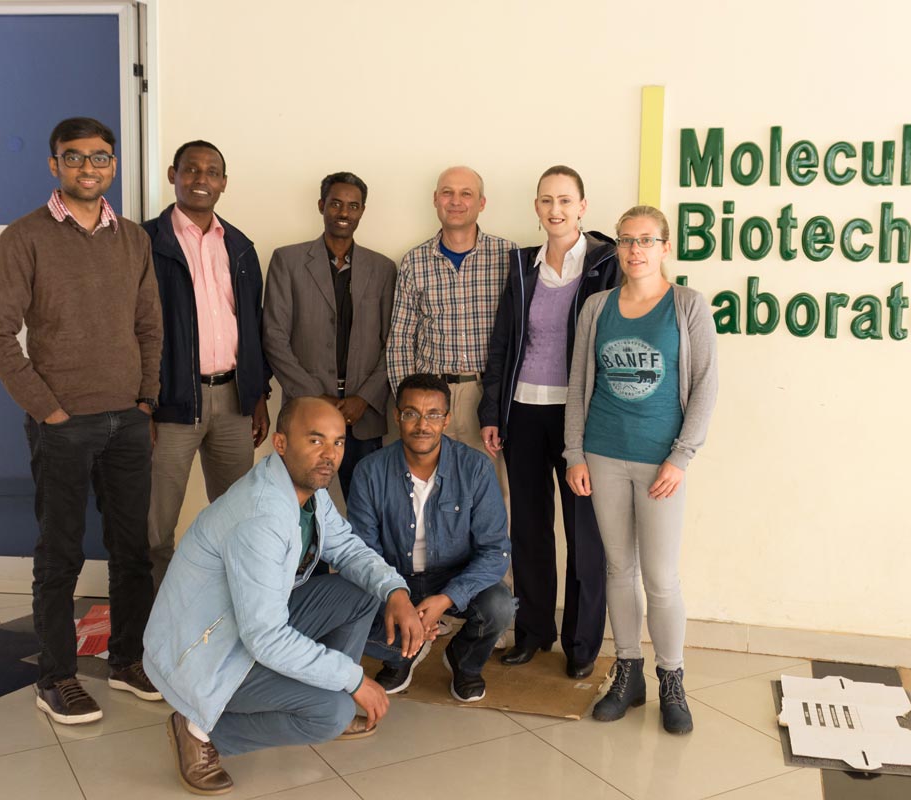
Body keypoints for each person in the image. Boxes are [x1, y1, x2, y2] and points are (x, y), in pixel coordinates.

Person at [143, 397, 428, 795]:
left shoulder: (305, 486)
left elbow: (346, 547)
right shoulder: (262, 517)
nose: (329, 455)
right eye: (315, 440)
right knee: (332, 713)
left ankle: (321, 686)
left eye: (338, 442)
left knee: (361, 593)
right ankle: (198, 730)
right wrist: (353, 679)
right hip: (205, 653)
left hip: (243, 626)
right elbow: (265, 637)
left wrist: (395, 590)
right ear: (280, 443)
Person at [0, 116, 164, 724]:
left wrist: (145, 398)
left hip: (128, 422)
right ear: (54, 165)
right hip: (63, 424)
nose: (90, 168)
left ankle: (127, 658)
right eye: (75, 157)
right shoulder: (24, 237)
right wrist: (48, 409)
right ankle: (55, 676)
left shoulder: (132, 238)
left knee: (132, 550)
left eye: (101, 157)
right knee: (59, 554)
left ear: (114, 164)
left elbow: (149, 325)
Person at [564, 205, 719, 735]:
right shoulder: (596, 308)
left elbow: (705, 388)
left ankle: (671, 679)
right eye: (627, 241)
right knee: (617, 570)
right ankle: (628, 673)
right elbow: (580, 386)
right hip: (603, 455)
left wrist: (682, 457)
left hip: (660, 463)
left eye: (646, 240)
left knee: (660, 577)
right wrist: (575, 453)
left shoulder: (687, 306)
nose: (635, 250)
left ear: (665, 247)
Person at [478, 166, 618, 678]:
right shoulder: (521, 265)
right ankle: (533, 631)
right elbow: (503, 344)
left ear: (582, 206)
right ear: (536, 208)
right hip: (524, 411)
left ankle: (582, 644)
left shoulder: (606, 263)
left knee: (585, 533)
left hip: (581, 416)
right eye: (546, 201)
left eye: (565, 200)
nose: (555, 210)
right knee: (530, 529)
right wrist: (492, 411)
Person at [142, 139, 272, 588]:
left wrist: (257, 394)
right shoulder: (145, 242)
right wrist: (144, 403)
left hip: (234, 400)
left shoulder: (239, 245)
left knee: (237, 521)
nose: (201, 179)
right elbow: (130, 329)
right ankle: (155, 621)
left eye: (211, 171)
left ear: (223, 183)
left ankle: (222, 617)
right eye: (191, 169)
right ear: (172, 174)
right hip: (170, 402)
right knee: (156, 527)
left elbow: (253, 326)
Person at [349, 373, 514, 702]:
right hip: (394, 577)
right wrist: (396, 597)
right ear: (397, 416)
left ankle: (463, 662)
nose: (422, 425)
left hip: (452, 576)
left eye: (433, 414)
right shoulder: (369, 471)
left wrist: (447, 598)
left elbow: (495, 552)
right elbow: (362, 552)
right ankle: (401, 655)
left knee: (499, 604)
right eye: (411, 413)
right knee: (344, 607)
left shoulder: (475, 469)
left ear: (446, 419)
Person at [263, 171, 396, 502]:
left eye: (353, 206)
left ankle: (361, 558)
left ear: (362, 211)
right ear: (322, 205)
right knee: (299, 503)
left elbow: (393, 342)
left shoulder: (383, 269)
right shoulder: (287, 261)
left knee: (367, 506)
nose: (343, 213)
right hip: (306, 409)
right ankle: (304, 558)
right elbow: (274, 337)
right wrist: (312, 397)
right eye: (336, 203)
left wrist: (364, 397)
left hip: (363, 413)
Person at [387, 166, 514, 469]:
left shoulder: (507, 256)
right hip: (431, 396)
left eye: (466, 193)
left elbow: (522, 333)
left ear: (481, 203)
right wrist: (412, 405)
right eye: (447, 192)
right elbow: (400, 341)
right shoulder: (414, 262)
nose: (455, 201)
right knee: (429, 489)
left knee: (491, 492)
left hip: (488, 397)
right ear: (435, 200)